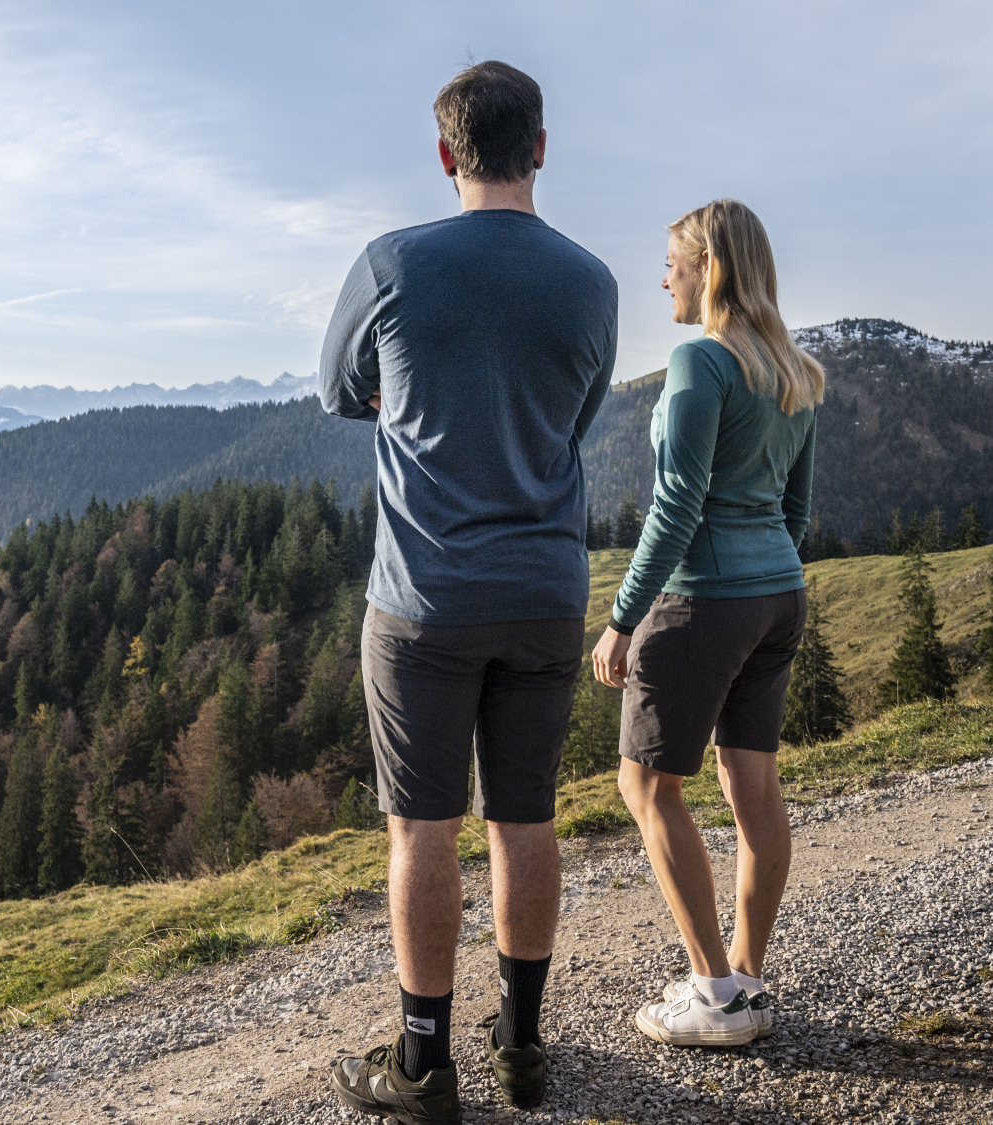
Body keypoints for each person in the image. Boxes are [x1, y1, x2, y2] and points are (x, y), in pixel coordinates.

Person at [317, 60, 617, 1125]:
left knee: (422, 832)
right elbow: (573, 415)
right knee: (524, 819)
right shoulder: (591, 282)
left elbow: (333, 389)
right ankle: (524, 1043)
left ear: (445, 155)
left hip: (424, 597)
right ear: (538, 147)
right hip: (544, 588)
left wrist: (413, 397)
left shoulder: (392, 263)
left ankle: (420, 1062)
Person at [590, 198, 823, 1047]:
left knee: (647, 786)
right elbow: (797, 512)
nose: (664, 280)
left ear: (710, 268)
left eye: (673, 264)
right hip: (777, 596)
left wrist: (623, 617)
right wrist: (761, 574)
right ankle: (746, 981)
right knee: (752, 787)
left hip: (704, 598)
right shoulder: (796, 373)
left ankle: (714, 994)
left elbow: (677, 504)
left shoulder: (700, 365)